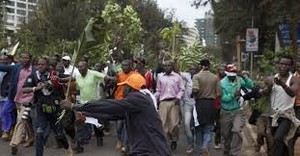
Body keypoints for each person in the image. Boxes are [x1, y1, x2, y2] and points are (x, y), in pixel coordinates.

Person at [60, 73, 171, 156]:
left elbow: (109, 105)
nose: (122, 90)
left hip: (152, 150)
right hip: (147, 149)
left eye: (124, 87)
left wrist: (75, 106)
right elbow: (112, 115)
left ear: (131, 88)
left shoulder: (138, 98)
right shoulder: (137, 102)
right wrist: (87, 114)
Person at [22, 57, 69, 156]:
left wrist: (58, 80)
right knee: (39, 134)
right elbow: (24, 89)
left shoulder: (53, 74)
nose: (40, 66)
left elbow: (71, 78)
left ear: (47, 65)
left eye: (42, 64)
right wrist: (36, 88)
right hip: (41, 109)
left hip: (55, 109)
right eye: (38, 64)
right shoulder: (34, 76)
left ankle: (68, 148)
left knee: (59, 134)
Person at [0, 52, 36, 155]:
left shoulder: (34, 70)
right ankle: (30, 138)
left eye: (26, 58)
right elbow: (3, 68)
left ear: (30, 59)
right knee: (25, 121)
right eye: (22, 58)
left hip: (28, 100)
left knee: (20, 120)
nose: (24, 60)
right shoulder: (16, 67)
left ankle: (14, 143)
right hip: (17, 99)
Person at [265, 56, 300, 156]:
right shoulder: (271, 78)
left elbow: (293, 93)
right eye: (281, 64)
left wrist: (282, 84)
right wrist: (265, 89)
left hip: (286, 115)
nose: (283, 66)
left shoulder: (294, 79)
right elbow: (264, 93)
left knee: (278, 138)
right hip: (273, 115)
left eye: (286, 64)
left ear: (291, 66)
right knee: (278, 140)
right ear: (278, 65)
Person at [220, 64, 254, 156]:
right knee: (226, 135)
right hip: (226, 112)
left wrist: (245, 77)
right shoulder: (222, 83)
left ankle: (234, 153)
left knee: (236, 130)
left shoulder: (239, 80)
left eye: (234, 75)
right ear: (227, 74)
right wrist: (232, 95)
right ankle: (226, 150)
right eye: (230, 75)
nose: (232, 77)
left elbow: (251, 86)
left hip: (237, 111)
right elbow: (223, 99)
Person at [72, 60, 106, 153]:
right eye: (78, 67)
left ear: (86, 67)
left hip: (94, 103)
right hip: (83, 104)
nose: (79, 68)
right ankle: (79, 145)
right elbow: (79, 90)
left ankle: (99, 138)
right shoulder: (78, 77)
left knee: (96, 123)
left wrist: (111, 78)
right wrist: (77, 102)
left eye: (82, 66)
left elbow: (105, 77)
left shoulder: (94, 74)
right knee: (81, 124)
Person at [154, 60, 185, 150]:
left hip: (173, 102)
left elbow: (182, 89)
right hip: (163, 102)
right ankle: (165, 142)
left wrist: (178, 98)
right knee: (163, 123)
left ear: (172, 67)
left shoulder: (177, 77)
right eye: (165, 66)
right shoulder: (160, 77)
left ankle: (174, 139)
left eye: (169, 65)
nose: (167, 67)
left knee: (174, 123)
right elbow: (158, 90)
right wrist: (153, 98)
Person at [192, 59, 220, 155]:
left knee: (198, 129)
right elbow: (219, 93)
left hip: (199, 104)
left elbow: (195, 89)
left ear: (201, 66)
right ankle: (205, 146)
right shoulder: (215, 77)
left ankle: (199, 151)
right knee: (208, 128)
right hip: (210, 105)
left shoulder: (197, 76)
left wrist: (192, 94)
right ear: (209, 66)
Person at [180, 65, 197, 154]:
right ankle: (190, 143)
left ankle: (197, 143)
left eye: (194, 69)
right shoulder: (186, 76)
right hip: (187, 105)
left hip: (197, 105)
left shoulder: (199, 78)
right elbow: (176, 71)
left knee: (195, 125)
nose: (192, 70)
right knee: (186, 124)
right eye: (190, 69)